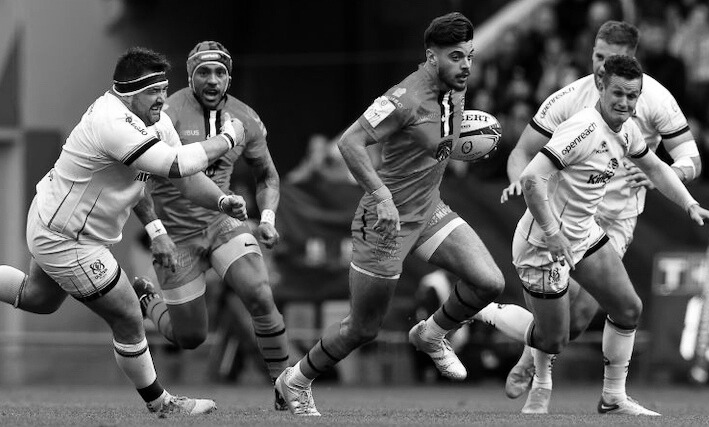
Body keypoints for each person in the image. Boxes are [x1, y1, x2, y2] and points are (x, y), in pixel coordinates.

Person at [275, 12, 506, 416]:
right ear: (431, 58)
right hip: (385, 222)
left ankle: (432, 334)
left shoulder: (456, 86)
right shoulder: (404, 97)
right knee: (363, 329)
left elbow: (442, 137)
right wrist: (380, 196)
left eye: (470, 55)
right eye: (456, 57)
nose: (466, 65)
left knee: (488, 282)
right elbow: (350, 143)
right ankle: (294, 381)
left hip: (429, 209)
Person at [0, 47, 248, 416]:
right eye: (153, 91)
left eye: (165, 88)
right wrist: (228, 138)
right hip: (69, 240)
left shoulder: (154, 119)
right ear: (129, 92)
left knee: (39, 298)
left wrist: (222, 201)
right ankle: (163, 405)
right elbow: (176, 164)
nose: (163, 98)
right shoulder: (111, 122)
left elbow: (184, 180)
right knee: (129, 317)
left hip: (54, 218)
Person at [498, 20, 706, 411]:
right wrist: (523, 189)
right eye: (597, 57)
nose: (599, 67)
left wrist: (687, 199)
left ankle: (610, 395)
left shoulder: (644, 108)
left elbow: (677, 162)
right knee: (557, 332)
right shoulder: (574, 109)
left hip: (606, 223)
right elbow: (526, 163)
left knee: (602, 315)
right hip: (553, 229)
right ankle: (531, 362)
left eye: (609, 60)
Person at [129, 41, 290, 411]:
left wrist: (266, 218)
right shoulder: (163, 114)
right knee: (190, 337)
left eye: (220, 73)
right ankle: (148, 300)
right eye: (204, 72)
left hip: (222, 224)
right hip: (177, 237)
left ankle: (287, 389)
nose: (212, 80)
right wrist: (157, 233)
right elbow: (136, 185)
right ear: (189, 77)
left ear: (229, 77)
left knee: (260, 293)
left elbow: (268, 176)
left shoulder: (245, 118)